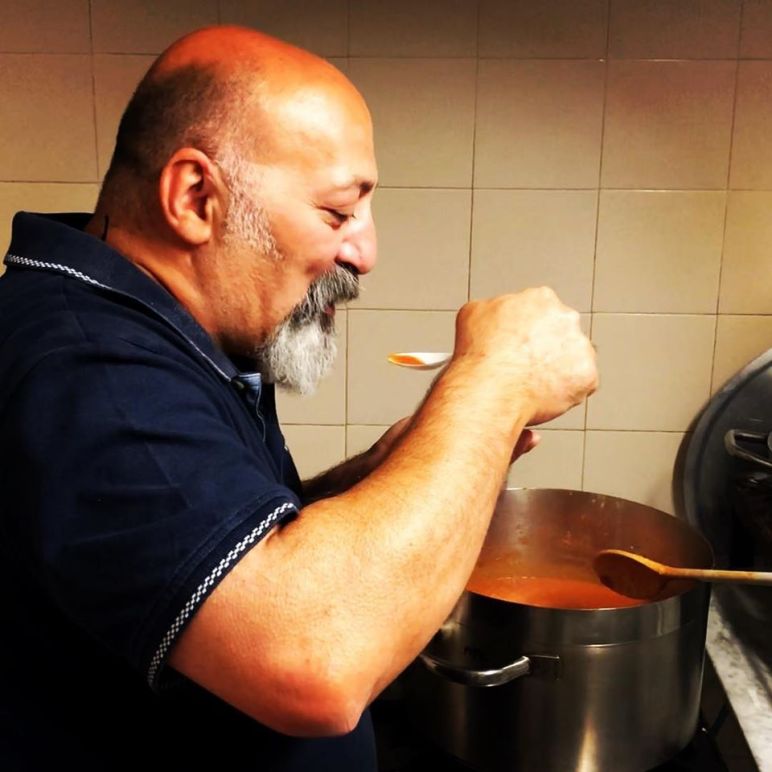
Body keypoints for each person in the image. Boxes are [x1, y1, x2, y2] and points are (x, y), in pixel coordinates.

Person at [0, 25, 597, 772]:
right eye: (338, 213)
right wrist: (496, 377)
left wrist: (383, 474)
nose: (365, 253)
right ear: (195, 197)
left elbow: (218, 561)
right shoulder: (94, 371)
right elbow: (315, 663)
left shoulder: (163, 328)